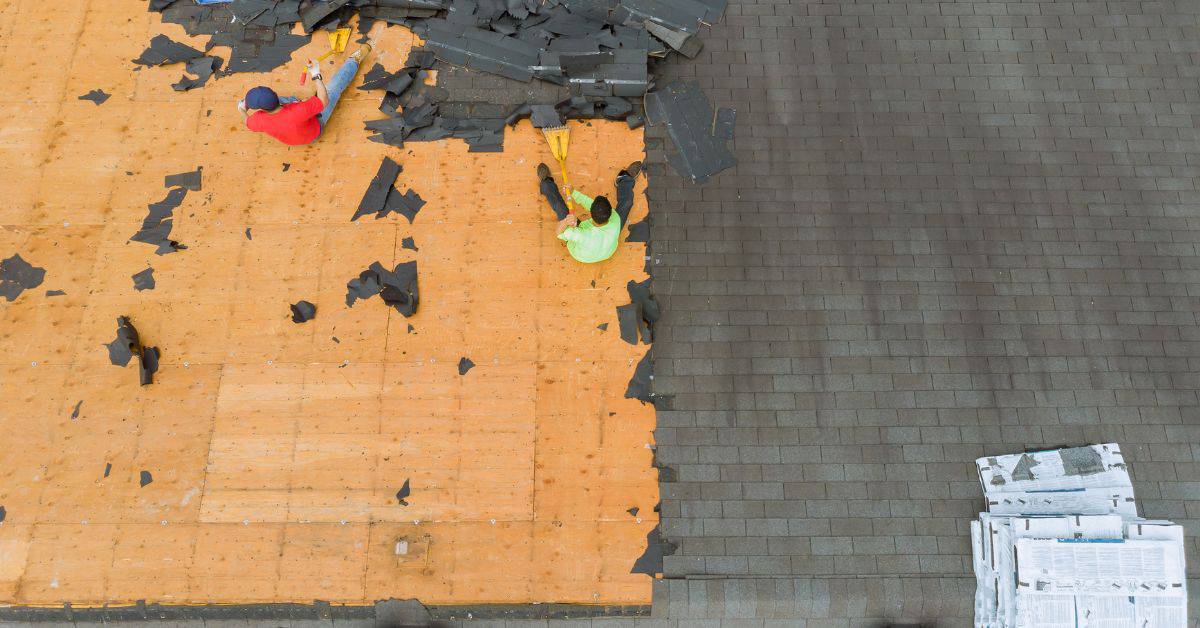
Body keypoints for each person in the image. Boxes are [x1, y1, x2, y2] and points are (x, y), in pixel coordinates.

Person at [238, 44, 371, 145]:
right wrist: (315, 74)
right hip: (314, 131)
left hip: (294, 135)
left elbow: (246, 121)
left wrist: (241, 109)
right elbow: (324, 101)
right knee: (332, 90)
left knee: (297, 102)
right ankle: (353, 61)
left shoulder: (258, 120)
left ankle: (296, 100)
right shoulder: (299, 110)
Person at [536, 161, 642, 264]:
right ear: (610, 213)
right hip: (607, 252)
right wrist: (573, 193)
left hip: (580, 255)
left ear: (590, 214)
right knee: (627, 202)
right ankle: (624, 179)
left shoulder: (580, 235)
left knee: (561, 208)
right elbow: (589, 203)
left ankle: (546, 183)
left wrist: (566, 221)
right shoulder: (615, 219)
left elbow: (559, 232)